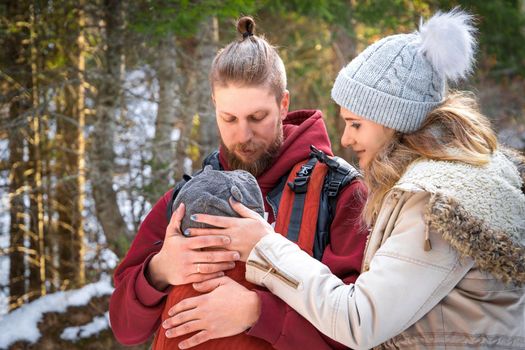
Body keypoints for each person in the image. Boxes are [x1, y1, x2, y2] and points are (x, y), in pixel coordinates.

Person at [171, 9, 525, 349]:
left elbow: (359, 321)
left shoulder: (435, 199)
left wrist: (265, 245)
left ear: (394, 121)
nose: (345, 139)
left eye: (356, 124)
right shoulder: (456, 181)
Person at [109, 16, 368, 350]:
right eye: (229, 119)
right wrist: (158, 271)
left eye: (257, 118)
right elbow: (124, 328)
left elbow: (360, 332)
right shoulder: (187, 195)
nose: (243, 135)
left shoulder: (340, 193)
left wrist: (258, 314)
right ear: (215, 107)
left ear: (283, 104)